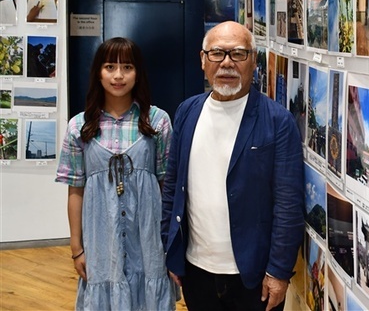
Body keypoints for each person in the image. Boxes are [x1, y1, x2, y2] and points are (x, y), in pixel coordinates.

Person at [161, 21, 305, 311]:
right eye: (217, 53)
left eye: (238, 54)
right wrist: (171, 249)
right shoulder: (188, 111)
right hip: (196, 269)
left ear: (254, 61)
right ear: (203, 60)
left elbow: (289, 204)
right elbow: (172, 186)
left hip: (254, 276)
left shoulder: (277, 122)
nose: (226, 63)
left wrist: (278, 271)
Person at [55, 37, 175, 311]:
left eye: (127, 67)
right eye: (110, 67)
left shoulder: (157, 121)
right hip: (100, 240)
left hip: (148, 238)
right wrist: (77, 249)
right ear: (98, 72)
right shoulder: (79, 127)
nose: (118, 75)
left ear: (137, 73)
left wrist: (171, 241)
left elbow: (166, 184)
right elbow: (75, 191)